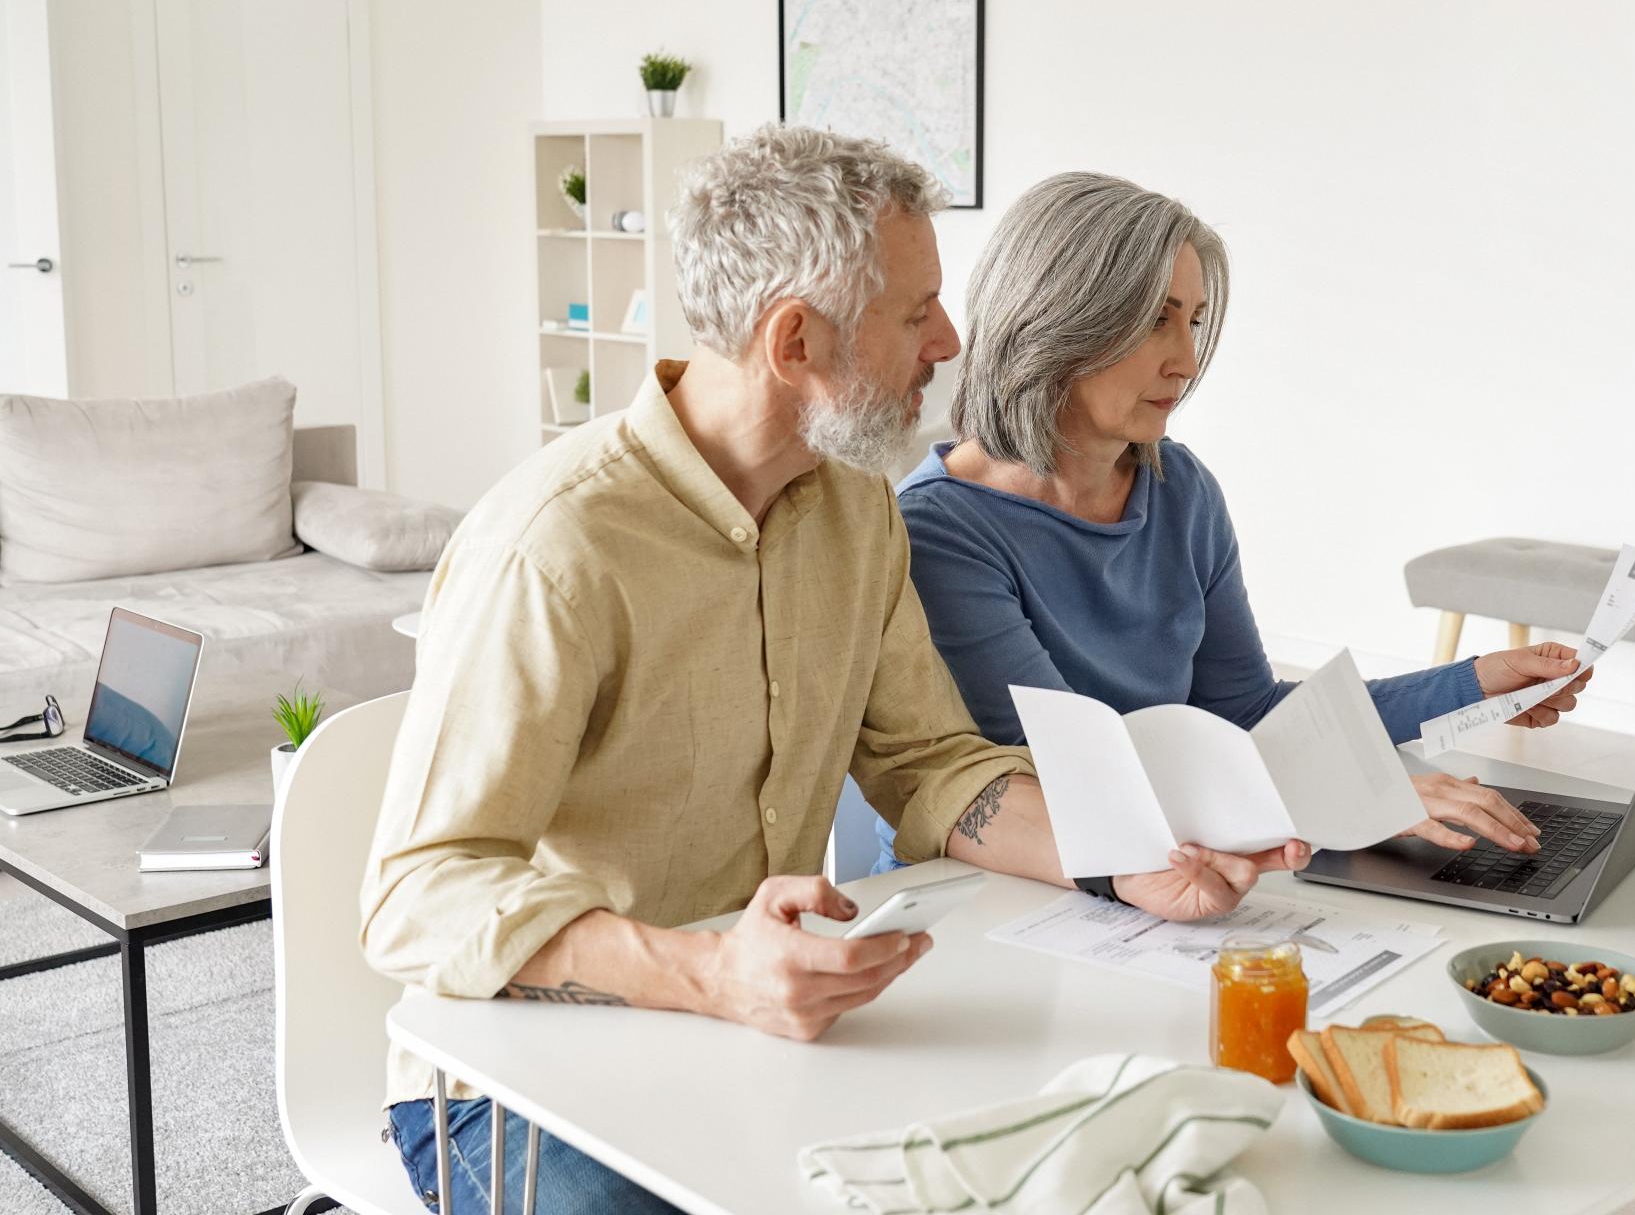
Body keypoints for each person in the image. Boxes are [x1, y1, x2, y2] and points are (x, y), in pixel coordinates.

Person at [360, 132, 1304, 1214]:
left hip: (763, 1030)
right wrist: (712, 973)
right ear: (796, 339)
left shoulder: (857, 511)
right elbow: (416, 896)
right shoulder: (555, 548)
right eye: (917, 313)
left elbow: (932, 763)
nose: (950, 342)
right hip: (515, 1081)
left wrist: (1123, 856)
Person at [874, 171, 1587, 873]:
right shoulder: (943, 530)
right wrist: (1350, 798)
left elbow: (1248, 712)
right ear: (1056, 318)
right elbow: (1085, 774)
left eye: (1193, 320)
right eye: (1156, 318)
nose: (1185, 361)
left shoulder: (1178, 488)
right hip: (986, 894)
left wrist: (1472, 685)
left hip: (1155, 868)